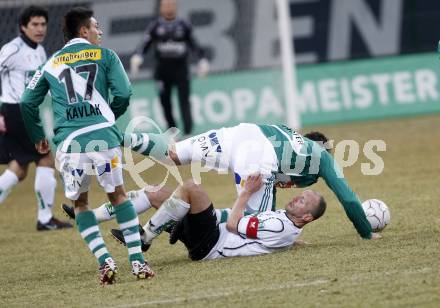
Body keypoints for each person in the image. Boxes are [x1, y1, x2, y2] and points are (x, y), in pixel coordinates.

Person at [61, 123, 381, 250]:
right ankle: (148, 235)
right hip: (256, 157)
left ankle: (123, 138)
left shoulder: (287, 130)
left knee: (173, 154)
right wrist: (366, 231)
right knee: (259, 221)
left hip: (238, 133)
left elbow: (283, 165)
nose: (291, 187)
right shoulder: (321, 158)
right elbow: (349, 199)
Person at [20, 7, 154, 284]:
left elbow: (26, 102)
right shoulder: (106, 55)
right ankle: (138, 262)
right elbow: (124, 92)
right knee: (117, 196)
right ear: (84, 31)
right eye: (96, 27)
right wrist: (107, 117)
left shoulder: (51, 63)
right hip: (104, 140)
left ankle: (104, 260)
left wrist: (37, 136)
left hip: (70, 144)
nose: (100, 32)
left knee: (79, 203)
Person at [110, 173, 326, 261]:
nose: (297, 197)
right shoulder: (285, 224)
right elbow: (271, 236)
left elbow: (233, 224)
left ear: (307, 217)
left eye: (303, 201)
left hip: (211, 243)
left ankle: (145, 238)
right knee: (155, 193)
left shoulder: (281, 226)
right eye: (301, 194)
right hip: (211, 234)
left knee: (191, 187)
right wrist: (293, 242)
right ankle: (97, 215)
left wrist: (247, 191)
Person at [0, 6, 72, 231]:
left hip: (26, 112)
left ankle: (45, 218)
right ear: (23, 26)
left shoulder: (40, 51)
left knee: (19, 167)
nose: (40, 29)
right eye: (35, 24)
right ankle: (45, 218)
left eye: (43, 24)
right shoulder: (11, 50)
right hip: (16, 111)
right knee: (46, 159)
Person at [130, 0, 210, 135]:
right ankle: (172, 132)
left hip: (181, 70)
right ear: (161, 8)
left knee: (184, 101)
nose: (168, 8)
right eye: (165, 5)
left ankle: (188, 133)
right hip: (162, 71)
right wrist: (138, 56)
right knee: (165, 103)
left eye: (171, 5)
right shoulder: (155, 26)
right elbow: (145, 43)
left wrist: (202, 59)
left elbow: (194, 44)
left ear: (176, 6)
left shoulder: (184, 25)